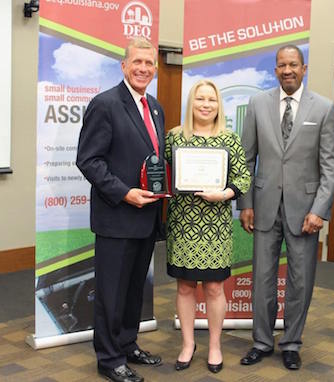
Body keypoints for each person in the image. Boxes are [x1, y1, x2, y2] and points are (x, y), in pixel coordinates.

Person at [237, 45, 334, 370]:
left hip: (305, 212)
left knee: (300, 281)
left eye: (293, 64)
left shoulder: (323, 108)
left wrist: (320, 209)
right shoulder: (257, 104)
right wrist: (246, 203)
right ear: (275, 70)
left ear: (304, 68)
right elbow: (245, 158)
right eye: (281, 65)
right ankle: (262, 341)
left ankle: (292, 343)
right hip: (264, 208)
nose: (287, 70)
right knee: (262, 279)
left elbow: (331, 166)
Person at [76, 37, 164, 382]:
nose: (143, 68)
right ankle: (109, 359)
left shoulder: (155, 106)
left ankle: (127, 345)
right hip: (117, 217)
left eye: (149, 64)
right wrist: (124, 192)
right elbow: (89, 160)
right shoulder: (105, 104)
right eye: (137, 62)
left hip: (146, 218)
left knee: (132, 292)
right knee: (111, 293)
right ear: (124, 65)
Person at [165, 79, 250, 374]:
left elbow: (242, 179)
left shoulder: (230, 139)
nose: (205, 104)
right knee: (185, 287)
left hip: (215, 227)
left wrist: (224, 193)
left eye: (211, 100)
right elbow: (161, 175)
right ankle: (188, 344)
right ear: (192, 103)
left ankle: (215, 345)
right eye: (200, 99)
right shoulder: (174, 137)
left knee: (214, 288)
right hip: (183, 224)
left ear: (218, 105)